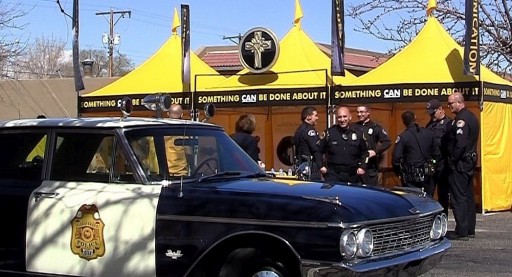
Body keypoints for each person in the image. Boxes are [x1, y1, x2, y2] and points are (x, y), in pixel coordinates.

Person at [444, 92, 479, 241]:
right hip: (469, 162)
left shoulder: (462, 119)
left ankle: (462, 230)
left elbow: (460, 143)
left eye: (451, 103)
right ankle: (469, 228)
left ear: (459, 102)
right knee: (468, 196)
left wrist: (452, 160)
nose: (449, 106)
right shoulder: (472, 116)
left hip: (460, 163)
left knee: (459, 197)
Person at [392, 111, 437, 197]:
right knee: (428, 200)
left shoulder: (404, 136)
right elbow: (436, 153)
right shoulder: (428, 133)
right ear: (415, 117)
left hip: (411, 176)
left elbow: (396, 158)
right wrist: (433, 165)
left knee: (413, 201)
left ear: (403, 121)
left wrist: (399, 173)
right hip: (428, 174)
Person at [318, 106, 368, 183]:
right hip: (333, 174)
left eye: (345, 116)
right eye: (339, 117)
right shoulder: (329, 133)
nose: (342, 120)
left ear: (350, 117)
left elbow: (365, 153)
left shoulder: (358, 133)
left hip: (352, 175)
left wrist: (362, 167)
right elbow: (318, 151)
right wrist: (321, 166)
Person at [426, 99, 453, 217]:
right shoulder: (429, 125)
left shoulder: (449, 124)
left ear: (441, 109)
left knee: (443, 195)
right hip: (432, 164)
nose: (432, 115)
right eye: (430, 113)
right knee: (428, 193)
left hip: (443, 164)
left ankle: (443, 218)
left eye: (433, 112)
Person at [354, 104, 391, 186]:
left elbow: (387, 141)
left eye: (362, 112)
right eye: (358, 112)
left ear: (368, 113)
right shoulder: (353, 127)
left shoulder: (375, 127)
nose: (359, 114)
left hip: (370, 168)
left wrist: (375, 151)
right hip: (356, 166)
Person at [293, 106, 323, 181]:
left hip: (302, 167)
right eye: (315, 115)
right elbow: (316, 149)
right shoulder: (309, 131)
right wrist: (321, 166)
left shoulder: (299, 130)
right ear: (308, 117)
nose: (317, 118)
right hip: (311, 168)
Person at [166, 104, 188, 176]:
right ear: (181, 115)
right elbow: (190, 154)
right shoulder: (184, 134)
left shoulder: (155, 131)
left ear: (168, 114)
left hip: (158, 176)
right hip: (179, 177)